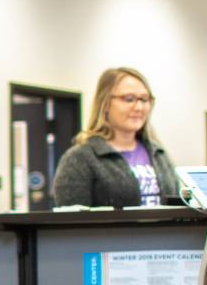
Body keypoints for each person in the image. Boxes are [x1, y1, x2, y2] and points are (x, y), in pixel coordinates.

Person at [50, 66, 180, 208]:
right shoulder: (80, 158)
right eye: (129, 99)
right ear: (105, 103)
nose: (139, 107)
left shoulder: (159, 154)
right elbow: (70, 223)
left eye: (144, 99)